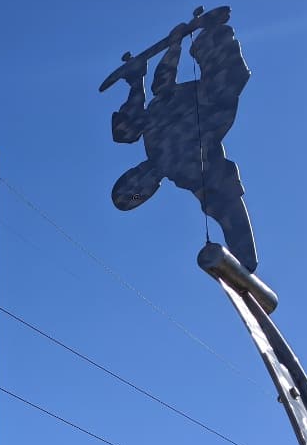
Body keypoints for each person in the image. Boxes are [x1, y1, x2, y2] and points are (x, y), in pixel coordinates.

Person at [110, 19, 258, 273]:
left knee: (125, 130)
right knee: (227, 80)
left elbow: (161, 88)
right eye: (142, 190)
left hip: (201, 102)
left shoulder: (153, 142)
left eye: (135, 179)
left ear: (132, 172)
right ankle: (212, 41)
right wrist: (244, 261)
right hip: (209, 104)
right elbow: (227, 205)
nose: (142, 181)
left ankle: (212, 40)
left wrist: (173, 47)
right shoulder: (183, 172)